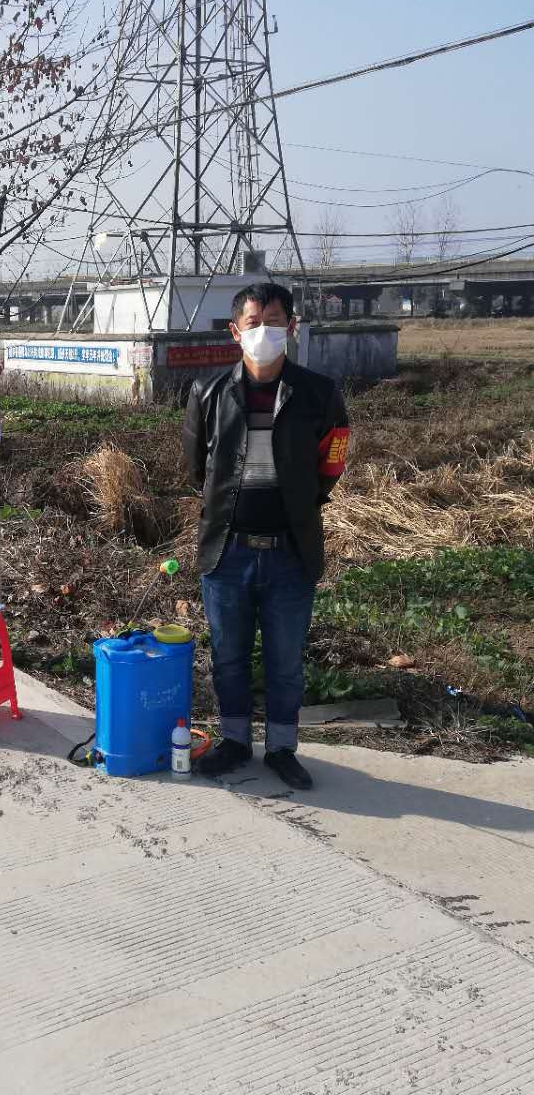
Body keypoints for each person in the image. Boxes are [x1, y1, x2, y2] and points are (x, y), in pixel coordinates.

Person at [182, 282, 350, 789]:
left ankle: (281, 748)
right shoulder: (208, 394)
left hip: (290, 553)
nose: (264, 333)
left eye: (275, 322)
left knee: (285, 660)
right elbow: (196, 470)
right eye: (254, 324)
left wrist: (300, 504)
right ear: (235, 332)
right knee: (228, 656)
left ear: (292, 327)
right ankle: (234, 742)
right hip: (227, 551)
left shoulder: (319, 394)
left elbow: (332, 462)